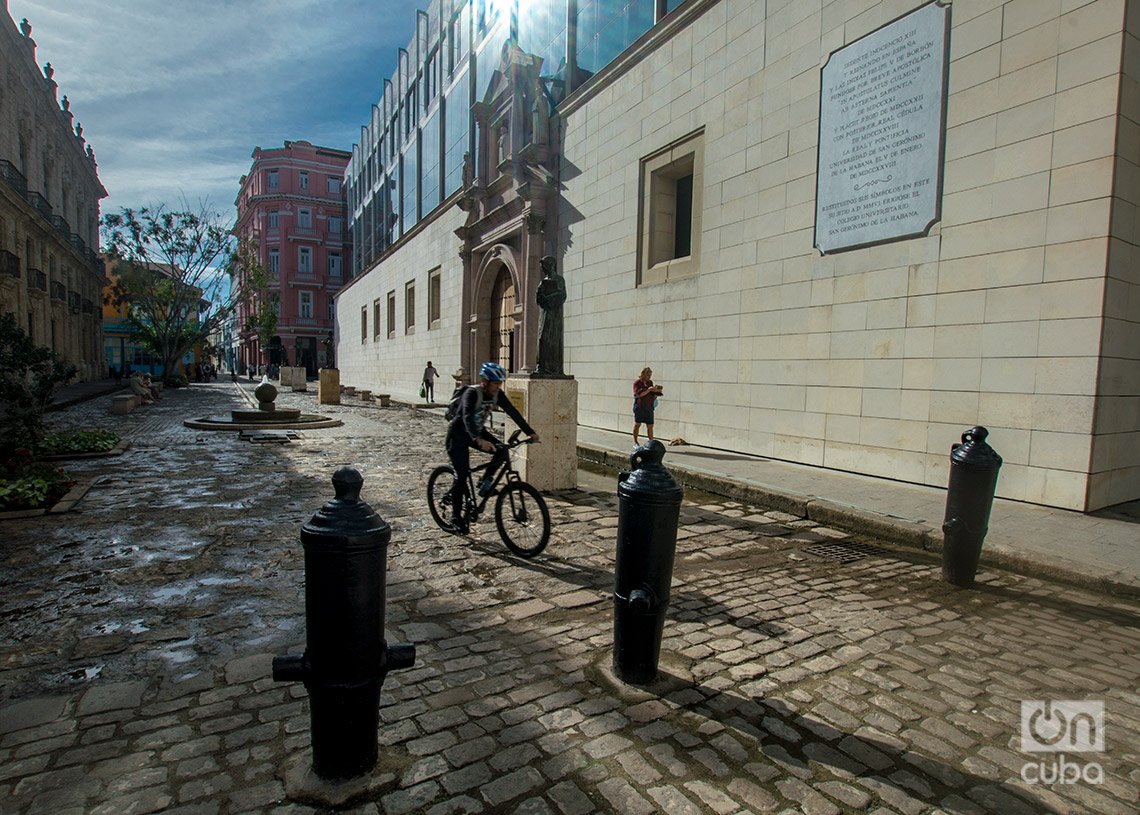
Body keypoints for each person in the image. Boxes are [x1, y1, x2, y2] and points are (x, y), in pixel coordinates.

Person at [446, 362, 539, 532]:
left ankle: (484, 482)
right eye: (495, 383)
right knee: (461, 475)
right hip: (458, 435)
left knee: (502, 449)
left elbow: (513, 411)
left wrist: (530, 432)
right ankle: (455, 517)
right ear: (485, 382)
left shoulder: (497, 395)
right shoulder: (472, 393)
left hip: (477, 432)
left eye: (500, 383)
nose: (498, 386)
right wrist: (479, 440)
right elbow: (467, 417)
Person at [632, 366, 662, 446]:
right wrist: (648, 390)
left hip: (649, 407)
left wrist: (655, 392)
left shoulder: (650, 382)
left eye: (650, 375)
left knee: (650, 425)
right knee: (637, 424)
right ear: (643, 375)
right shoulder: (637, 383)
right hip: (640, 406)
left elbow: (652, 394)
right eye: (648, 375)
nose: (649, 377)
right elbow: (639, 394)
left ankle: (651, 442)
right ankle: (635, 442)